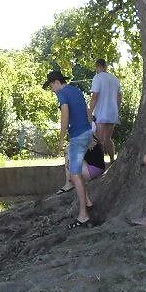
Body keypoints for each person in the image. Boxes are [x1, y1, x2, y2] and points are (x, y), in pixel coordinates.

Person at [44, 70, 93, 229]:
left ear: (56, 82)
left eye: (51, 86)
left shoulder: (62, 94)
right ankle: (88, 201)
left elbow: (65, 114)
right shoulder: (76, 90)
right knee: (75, 169)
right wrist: (91, 134)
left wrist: (60, 139)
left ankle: (83, 215)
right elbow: (87, 111)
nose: (51, 90)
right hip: (86, 133)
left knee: (74, 175)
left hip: (77, 137)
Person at [88, 59, 121, 165]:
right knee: (108, 138)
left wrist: (90, 111)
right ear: (105, 66)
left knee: (99, 140)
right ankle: (112, 160)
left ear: (97, 66)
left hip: (101, 112)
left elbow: (95, 96)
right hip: (113, 113)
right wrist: (116, 109)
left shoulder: (97, 78)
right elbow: (119, 96)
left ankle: (99, 163)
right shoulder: (114, 79)